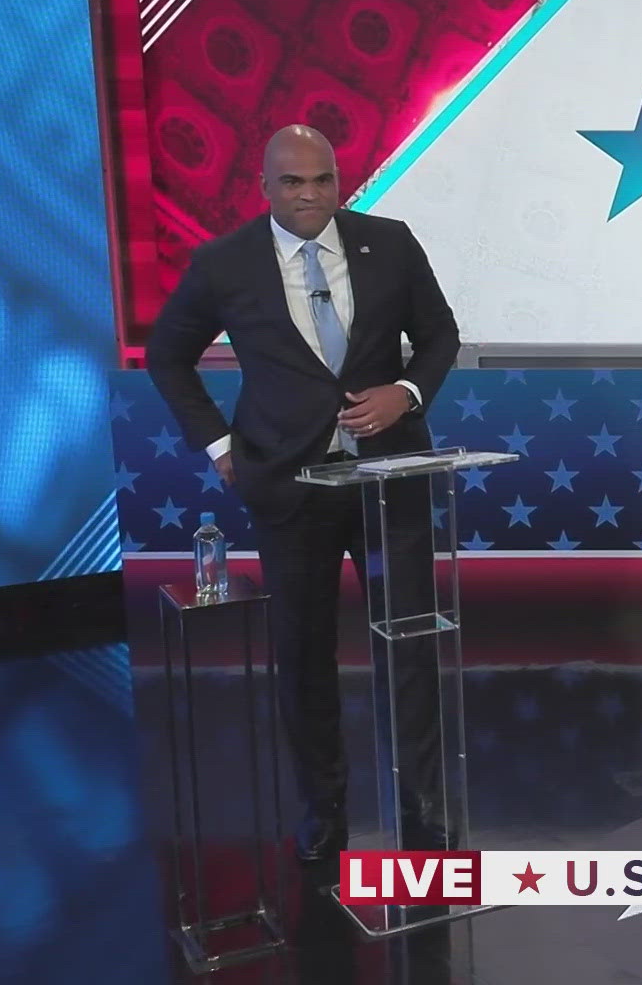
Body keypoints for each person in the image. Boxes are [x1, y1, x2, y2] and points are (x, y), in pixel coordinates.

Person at [147, 125, 461, 863]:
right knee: (305, 655)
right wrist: (223, 448)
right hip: (289, 487)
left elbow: (441, 334)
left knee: (410, 647)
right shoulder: (224, 263)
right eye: (293, 182)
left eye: (322, 180)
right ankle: (324, 816)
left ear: (338, 180)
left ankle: (422, 807)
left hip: (388, 481)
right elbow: (168, 355)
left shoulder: (391, 241)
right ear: (264, 186)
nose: (310, 195)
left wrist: (407, 392)